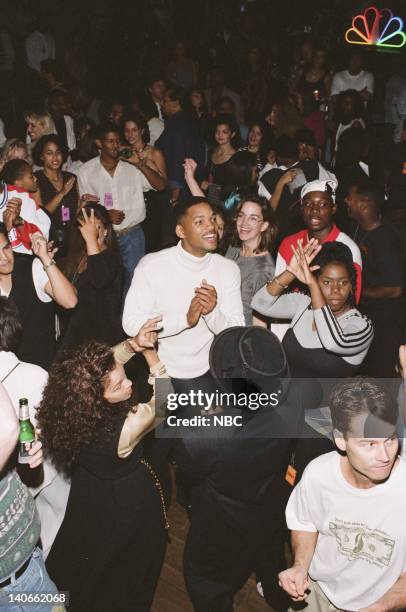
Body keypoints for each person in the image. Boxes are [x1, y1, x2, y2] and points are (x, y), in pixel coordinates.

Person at [40, 319, 169, 612]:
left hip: (91, 490)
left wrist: (132, 345)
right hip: (125, 501)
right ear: (97, 398)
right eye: (119, 386)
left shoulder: (70, 401)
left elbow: (99, 369)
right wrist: (152, 357)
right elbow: (165, 403)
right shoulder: (121, 430)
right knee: (128, 565)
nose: (129, 384)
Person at [279, 378, 406, 612]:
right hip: (316, 594)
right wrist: (300, 566)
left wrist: (382, 606)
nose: (384, 456)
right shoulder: (318, 473)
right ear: (340, 440)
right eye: (369, 444)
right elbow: (305, 522)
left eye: (390, 440)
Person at [122, 196, 244, 383]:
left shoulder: (228, 269)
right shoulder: (152, 266)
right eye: (199, 222)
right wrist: (184, 320)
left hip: (210, 372)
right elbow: (131, 323)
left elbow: (237, 329)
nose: (211, 227)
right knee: (162, 412)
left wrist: (212, 313)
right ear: (181, 231)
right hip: (158, 371)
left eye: (212, 219)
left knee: (211, 413)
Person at [0, 297, 70, 558]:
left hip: (11, 486)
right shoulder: (35, 374)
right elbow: (57, 426)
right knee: (58, 519)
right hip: (47, 470)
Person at [252, 240, 373, 378]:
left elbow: (334, 342)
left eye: (343, 282)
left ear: (352, 285)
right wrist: (290, 273)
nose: (336, 290)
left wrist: (313, 286)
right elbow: (259, 303)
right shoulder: (304, 304)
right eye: (326, 282)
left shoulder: (361, 325)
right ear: (315, 278)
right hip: (284, 396)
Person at [77, 122, 164, 296]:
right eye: (110, 141)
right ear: (99, 144)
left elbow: (161, 185)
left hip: (132, 235)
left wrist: (140, 164)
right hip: (103, 237)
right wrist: (105, 215)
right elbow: (83, 209)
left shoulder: (132, 165)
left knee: (135, 283)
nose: (115, 146)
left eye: (118, 141)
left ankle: (130, 321)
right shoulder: (86, 171)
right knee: (108, 285)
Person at [0, 382, 65, 612]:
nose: (128, 384)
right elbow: (163, 412)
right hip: (21, 586)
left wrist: (18, 466)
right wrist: (154, 363)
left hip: (28, 565)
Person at [346, 182, 405, 377]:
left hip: (385, 325)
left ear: (365, 203)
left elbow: (394, 289)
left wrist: (357, 292)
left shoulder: (386, 240)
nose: (346, 200)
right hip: (368, 318)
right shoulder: (359, 229)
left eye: (350, 197)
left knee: (378, 377)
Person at [0, 223, 77, 368]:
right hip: (8, 377)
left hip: (45, 370)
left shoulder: (31, 267)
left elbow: (70, 301)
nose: (4, 257)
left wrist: (45, 258)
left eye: (6, 248)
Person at [274, 179, 362, 304]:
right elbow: (276, 297)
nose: (314, 210)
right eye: (308, 203)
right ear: (301, 208)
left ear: (333, 208)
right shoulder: (289, 244)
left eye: (323, 204)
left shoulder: (348, 248)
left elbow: (352, 302)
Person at [58, 204, 124, 352]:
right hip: (77, 333)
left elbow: (99, 279)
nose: (90, 232)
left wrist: (91, 240)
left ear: (106, 231)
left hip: (101, 339)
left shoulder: (111, 258)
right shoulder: (78, 256)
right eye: (86, 228)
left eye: (96, 227)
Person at [226, 195, 276, 325]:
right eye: (241, 215)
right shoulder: (233, 250)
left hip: (239, 336)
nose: (244, 223)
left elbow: (260, 322)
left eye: (253, 218)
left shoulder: (263, 269)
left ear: (264, 225)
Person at [122, 112, 167, 252]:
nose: (130, 134)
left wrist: (146, 164)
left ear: (142, 130)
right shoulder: (122, 152)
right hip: (128, 202)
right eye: (127, 130)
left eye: (134, 130)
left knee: (150, 246)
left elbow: (164, 183)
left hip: (149, 202)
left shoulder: (154, 153)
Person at [156, 86, 206, 205]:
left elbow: (176, 158)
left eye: (165, 100)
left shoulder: (176, 125)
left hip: (180, 190)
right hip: (191, 185)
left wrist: (174, 197)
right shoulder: (191, 120)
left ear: (176, 103)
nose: (162, 104)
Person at [33, 134, 78, 255]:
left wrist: (84, 202)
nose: (55, 157)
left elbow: (76, 210)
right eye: (49, 153)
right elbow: (41, 214)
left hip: (73, 237)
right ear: (41, 156)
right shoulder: (36, 180)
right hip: (50, 239)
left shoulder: (71, 177)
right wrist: (62, 193)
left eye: (58, 152)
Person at [0, 159, 51, 254]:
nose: (35, 179)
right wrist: (8, 228)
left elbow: (42, 234)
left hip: (29, 260)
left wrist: (17, 221)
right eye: (31, 177)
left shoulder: (19, 195)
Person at [202, 114, 238, 201]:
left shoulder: (236, 158)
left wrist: (210, 186)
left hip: (225, 203)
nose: (220, 135)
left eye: (224, 132)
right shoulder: (211, 151)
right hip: (208, 198)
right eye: (217, 131)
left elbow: (233, 189)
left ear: (232, 134)